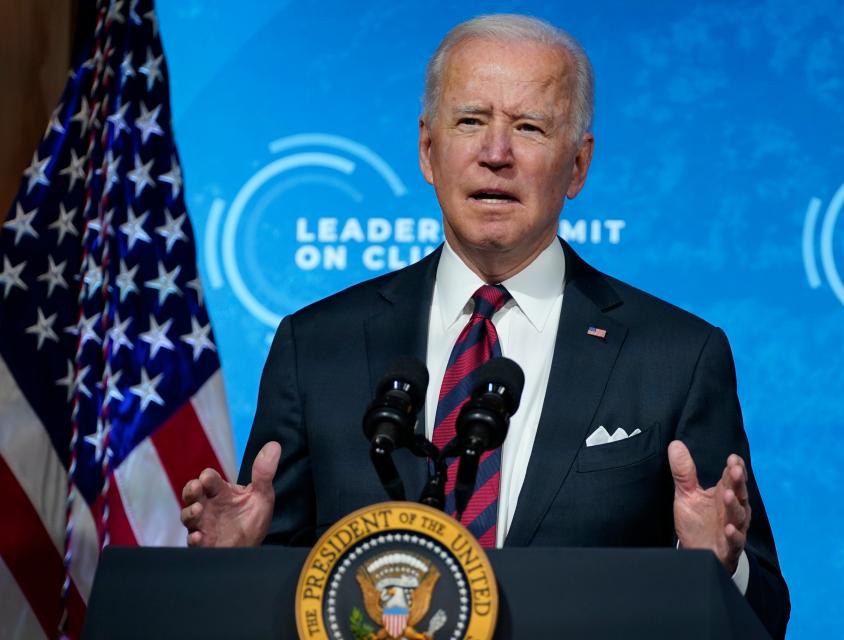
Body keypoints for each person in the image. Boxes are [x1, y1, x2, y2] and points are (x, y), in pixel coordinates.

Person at [181, 14, 789, 637]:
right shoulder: (317, 347)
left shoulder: (677, 357)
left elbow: (767, 614)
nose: (495, 154)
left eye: (529, 128)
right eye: (470, 121)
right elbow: (275, 598)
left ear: (578, 165)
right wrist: (234, 566)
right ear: (427, 149)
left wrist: (717, 566)